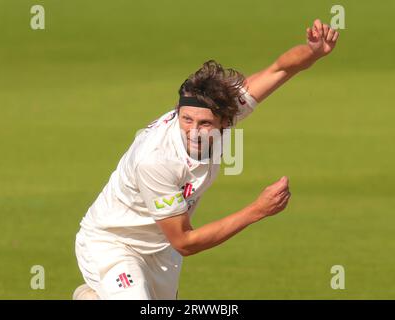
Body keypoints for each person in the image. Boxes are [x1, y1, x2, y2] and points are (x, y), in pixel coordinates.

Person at [73, 19, 339, 300]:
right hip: (112, 242)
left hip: (161, 250)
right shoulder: (155, 160)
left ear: (226, 120)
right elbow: (185, 242)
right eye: (186, 119)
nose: (194, 132)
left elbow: (281, 68)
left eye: (204, 123)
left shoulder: (225, 109)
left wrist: (314, 52)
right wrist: (257, 210)